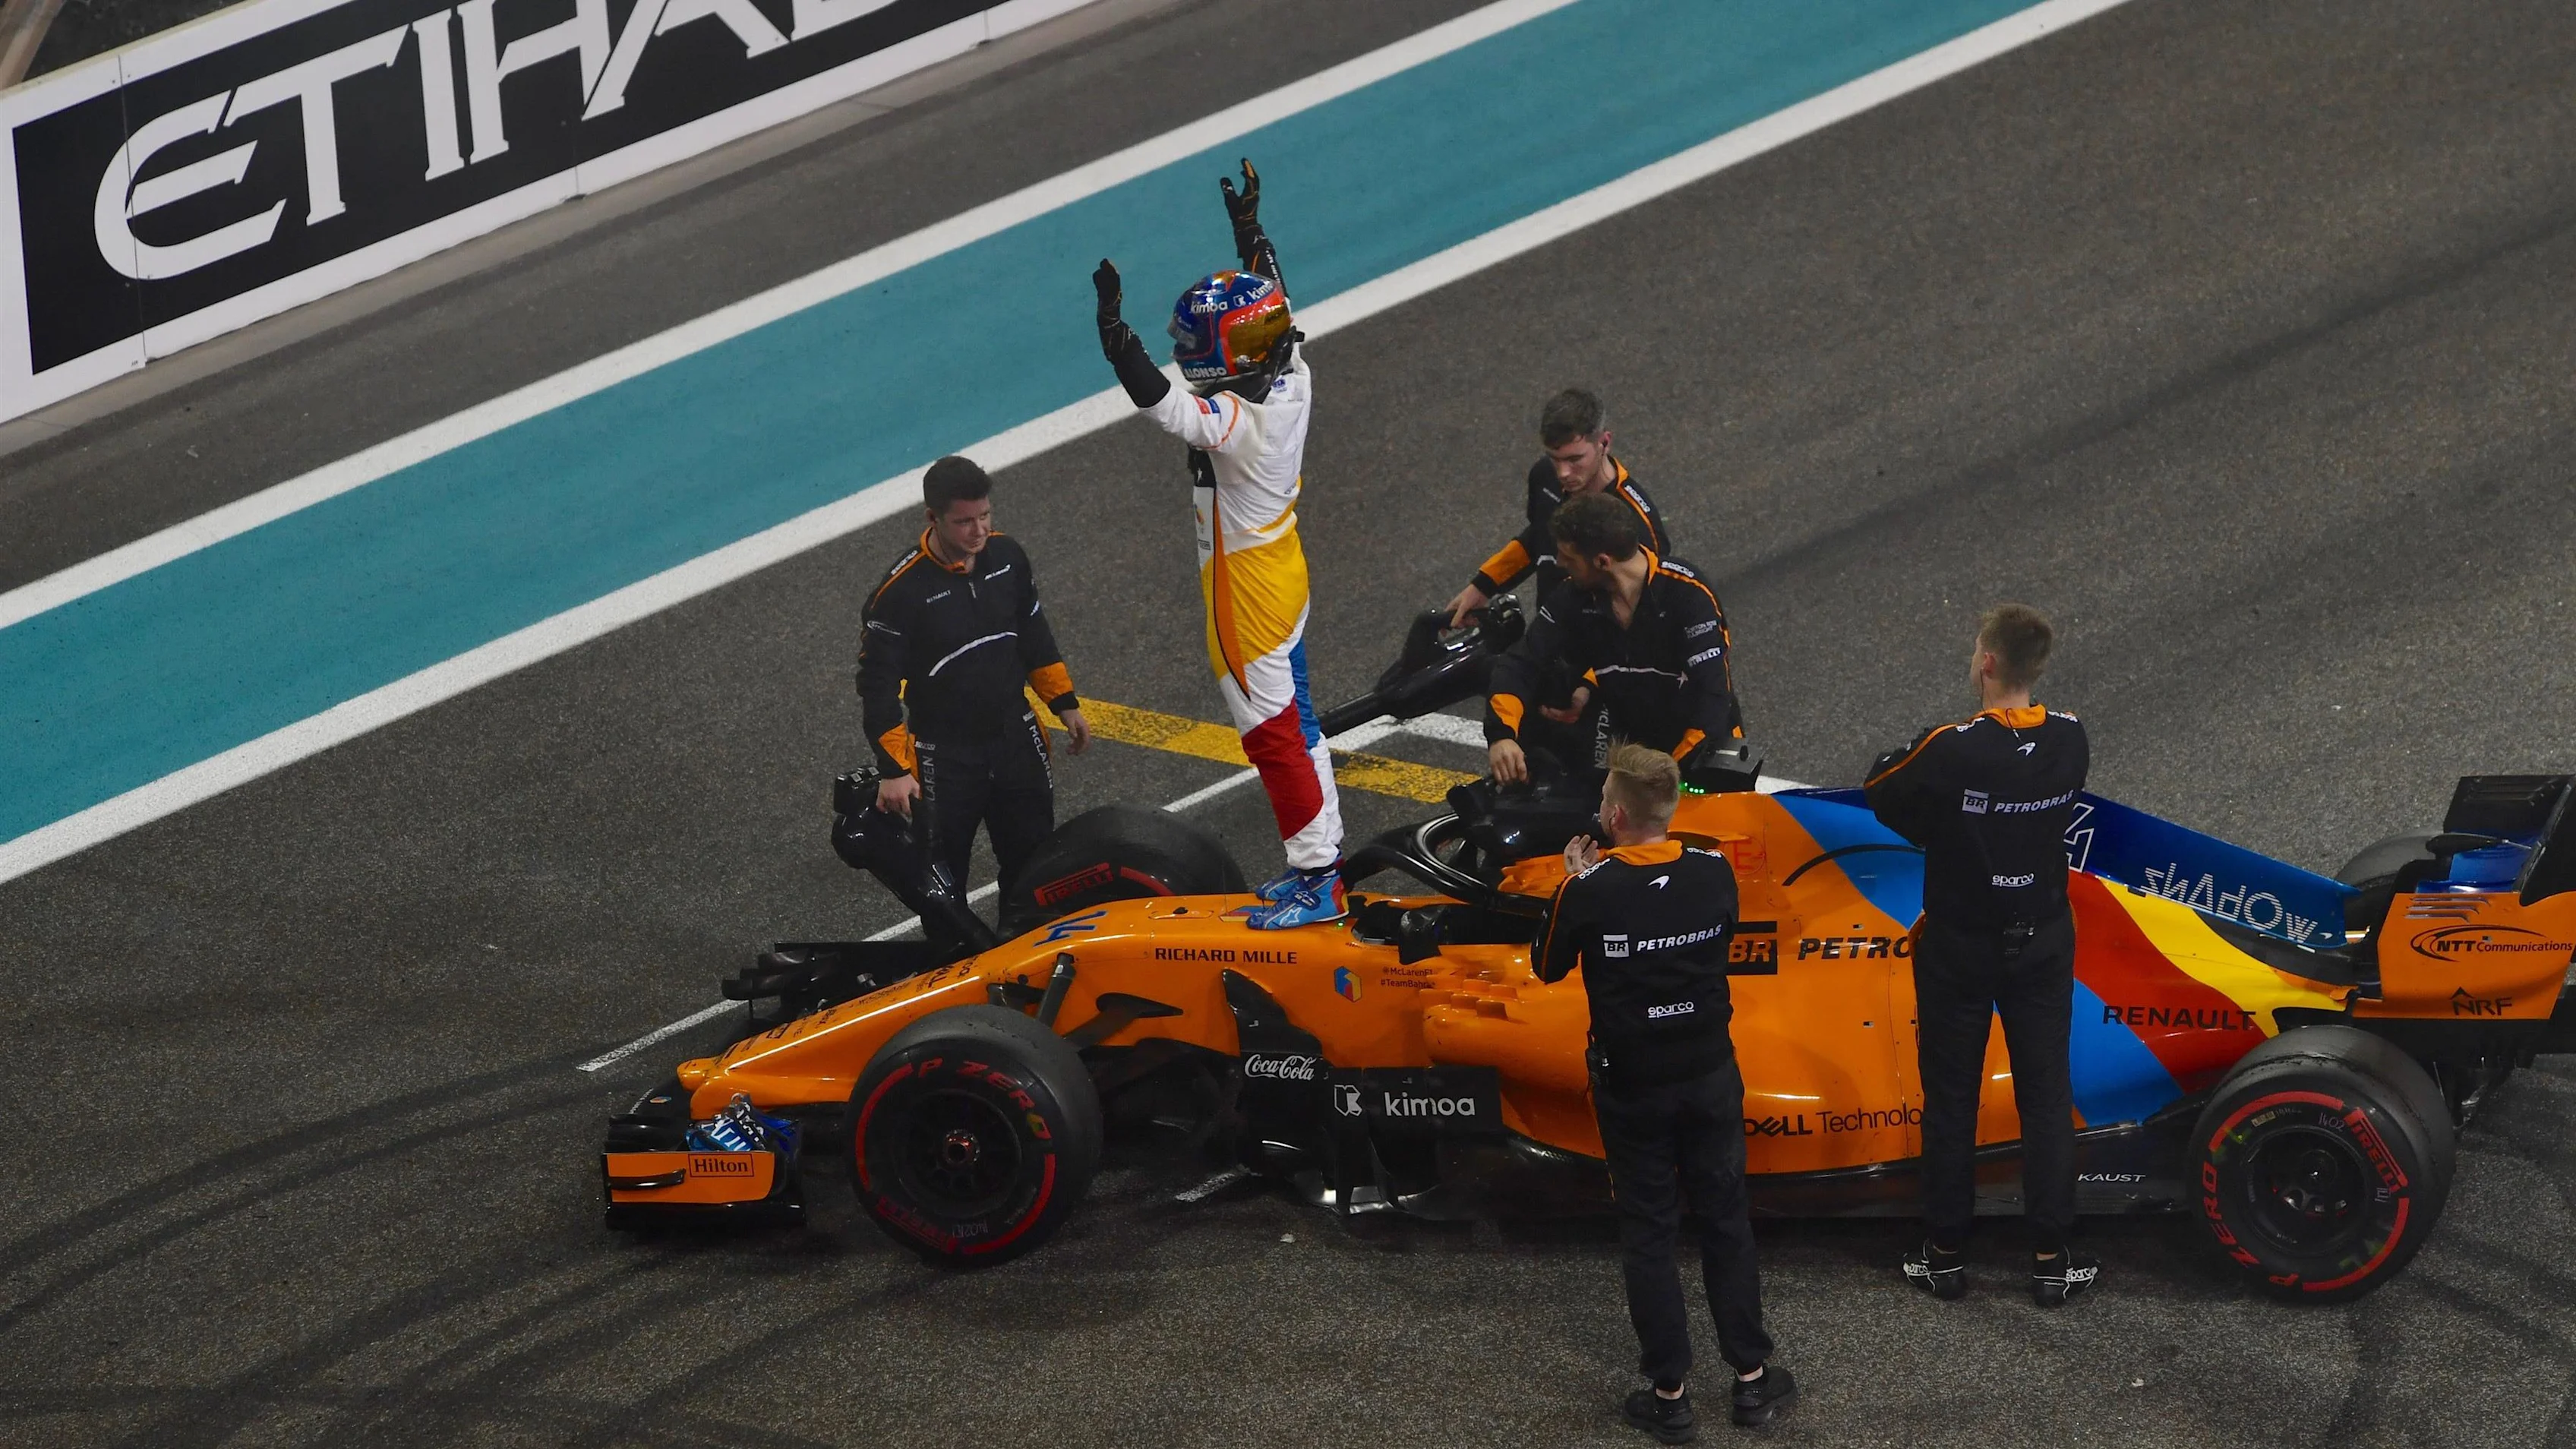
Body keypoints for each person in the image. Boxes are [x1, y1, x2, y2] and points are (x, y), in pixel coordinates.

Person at [1091, 159, 1346, 930]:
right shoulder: (1289, 368)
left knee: (1274, 741)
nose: (1276, 323)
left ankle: (1318, 880)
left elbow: (1165, 407)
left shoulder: (1240, 425)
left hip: (1245, 597)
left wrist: (1114, 338)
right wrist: (1249, 234)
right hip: (1280, 574)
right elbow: (1275, 296)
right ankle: (1321, 858)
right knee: (1299, 729)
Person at [1537, 743, 1796, 1439]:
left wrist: (1575, 882)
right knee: (1725, 1220)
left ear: (1615, 815)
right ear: (1669, 810)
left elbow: (1547, 964)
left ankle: (1670, 1393)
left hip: (1633, 1085)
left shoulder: (1590, 888)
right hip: (1710, 1072)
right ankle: (1752, 1383)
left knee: (1650, 1232)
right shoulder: (1714, 873)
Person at [1862, 604, 2094, 1307]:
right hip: (2043, 939)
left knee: (1952, 1097)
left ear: (1987, 662)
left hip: (1961, 944)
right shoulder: (2071, 739)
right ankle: (2052, 1260)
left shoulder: (1950, 747)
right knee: (2047, 1096)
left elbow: (1880, 786)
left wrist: (1946, 829)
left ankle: (1944, 1253)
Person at [858, 456, 1091, 912]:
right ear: (933, 519)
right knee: (942, 881)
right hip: (944, 756)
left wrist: (1064, 702)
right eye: (964, 522)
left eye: (985, 516)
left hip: (1016, 739)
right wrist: (893, 769)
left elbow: (1033, 630)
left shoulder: (1008, 558)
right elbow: (877, 684)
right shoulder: (899, 594)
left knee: (1035, 866)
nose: (979, 531)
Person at [1485, 492, 1742, 788]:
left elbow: (1713, 695)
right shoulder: (1573, 598)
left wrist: (1672, 771)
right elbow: (1521, 663)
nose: (1558, 563)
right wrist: (1502, 736)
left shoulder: (1689, 595)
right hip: (1635, 760)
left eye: (1569, 558)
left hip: (1701, 756)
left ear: (1603, 561)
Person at [1444, 387, 1671, 628]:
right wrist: (1483, 586)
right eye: (1555, 458)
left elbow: (1651, 614)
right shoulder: (1544, 476)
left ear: (1604, 443)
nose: (1563, 473)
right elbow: (1539, 537)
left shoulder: (1636, 522)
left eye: (1575, 460)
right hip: (1549, 637)